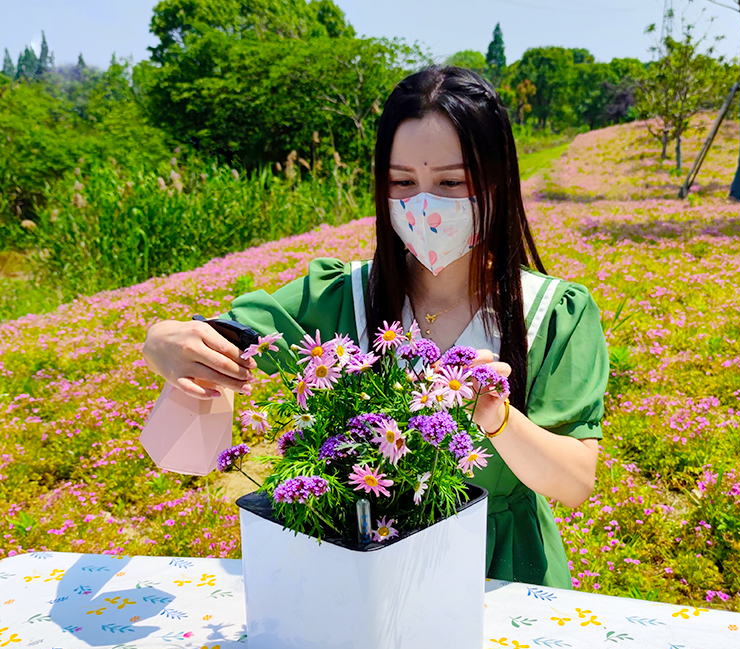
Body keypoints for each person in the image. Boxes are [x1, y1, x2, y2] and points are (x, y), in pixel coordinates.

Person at [143, 66, 609, 589]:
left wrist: (498, 419)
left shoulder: (552, 312)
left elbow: (574, 482)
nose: (424, 205)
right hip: (365, 568)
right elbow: (194, 432)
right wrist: (166, 341)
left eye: (451, 182)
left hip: (502, 570)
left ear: (499, 180)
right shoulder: (342, 297)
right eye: (403, 182)